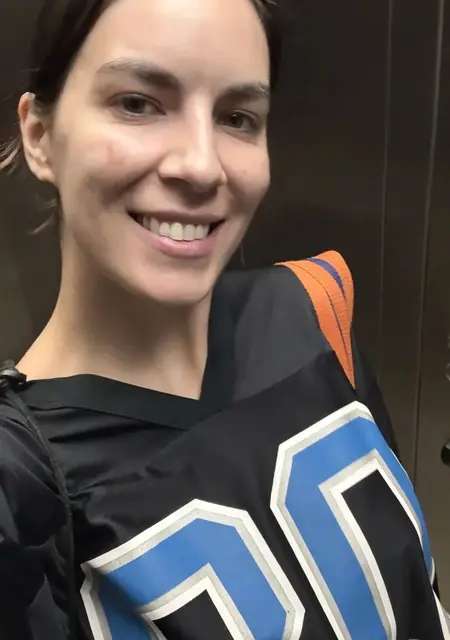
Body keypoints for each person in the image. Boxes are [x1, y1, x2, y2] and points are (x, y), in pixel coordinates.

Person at [0, 0, 448, 638]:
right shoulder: (23, 488)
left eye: (238, 117)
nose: (202, 166)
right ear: (39, 135)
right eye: (137, 103)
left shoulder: (307, 306)